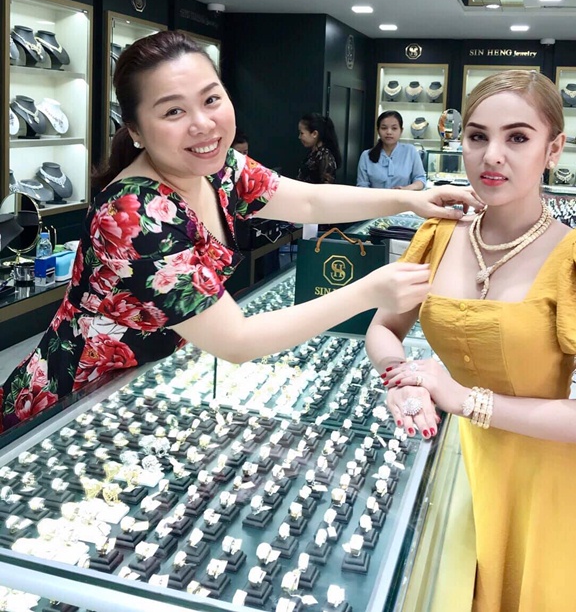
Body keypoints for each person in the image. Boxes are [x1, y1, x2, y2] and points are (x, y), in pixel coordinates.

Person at [0, 31, 481, 432]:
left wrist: (409, 200)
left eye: (211, 99)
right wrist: (369, 290)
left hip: (137, 386)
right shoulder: (133, 214)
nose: (202, 123)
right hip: (67, 406)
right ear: (137, 131)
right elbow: (237, 339)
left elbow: (308, 200)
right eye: (173, 112)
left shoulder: (217, 168)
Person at [365, 69, 576, 611]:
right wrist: (402, 379)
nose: (492, 155)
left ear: (553, 149)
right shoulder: (437, 236)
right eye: (478, 136)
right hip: (456, 472)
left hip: (555, 495)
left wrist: (464, 399)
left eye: (517, 137)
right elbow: (383, 328)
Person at [357, 111, 426, 190]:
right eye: (384, 128)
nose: (389, 132)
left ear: (401, 130)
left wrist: (407, 189)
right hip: (375, 198)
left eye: (394, 128)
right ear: (378, 130)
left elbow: (420, 179)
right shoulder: (366, 156)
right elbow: (362, 186)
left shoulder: (410, 151)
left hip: (403, 197)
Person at [296, 112, 341, 184]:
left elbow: (327, 186)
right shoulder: (312, 154)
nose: (299, 137)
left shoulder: (325, 157)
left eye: (302, 133)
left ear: (314, 134)